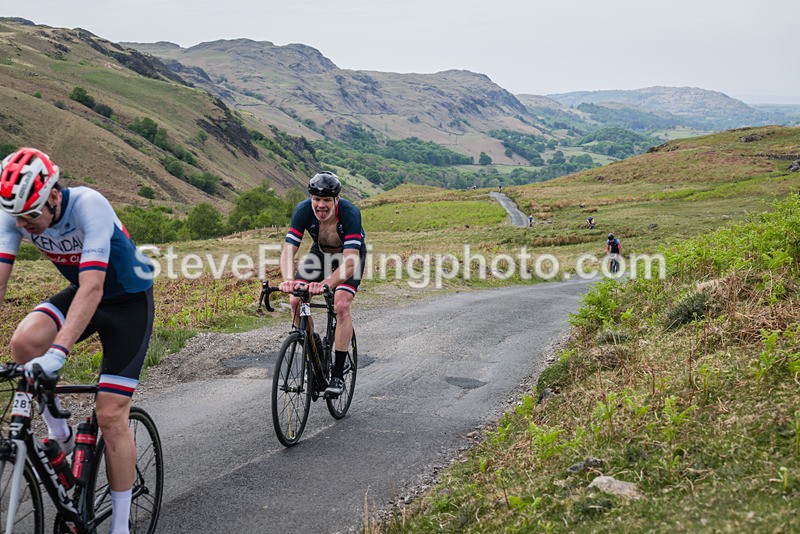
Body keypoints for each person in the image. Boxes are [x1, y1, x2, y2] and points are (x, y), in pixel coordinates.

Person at [0, 148, 154, 534]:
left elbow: (93, 286)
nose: (24, 226)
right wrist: (45, 350)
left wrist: (58, 353)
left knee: (111, 415)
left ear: (53, 195)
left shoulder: (90, 205)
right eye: (17, 218)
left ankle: (120, 527)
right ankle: (60, 432)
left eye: (30, 217)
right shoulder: (14, 215)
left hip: (127, 305)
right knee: (23, 344)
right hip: (84, 295)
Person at [279, 171, 365, 397]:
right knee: (296, 299)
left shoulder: (350, 213)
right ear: (311, 199)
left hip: (348, 257)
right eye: (317, 200)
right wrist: (288, 280)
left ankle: (336, 375)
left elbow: (349, 263)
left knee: (341, 305)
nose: (321, 206)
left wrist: (327, 283)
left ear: (336, 200)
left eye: (326, 200)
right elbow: (289, 250)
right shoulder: (302, 210)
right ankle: (313, 346)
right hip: (319, 255)